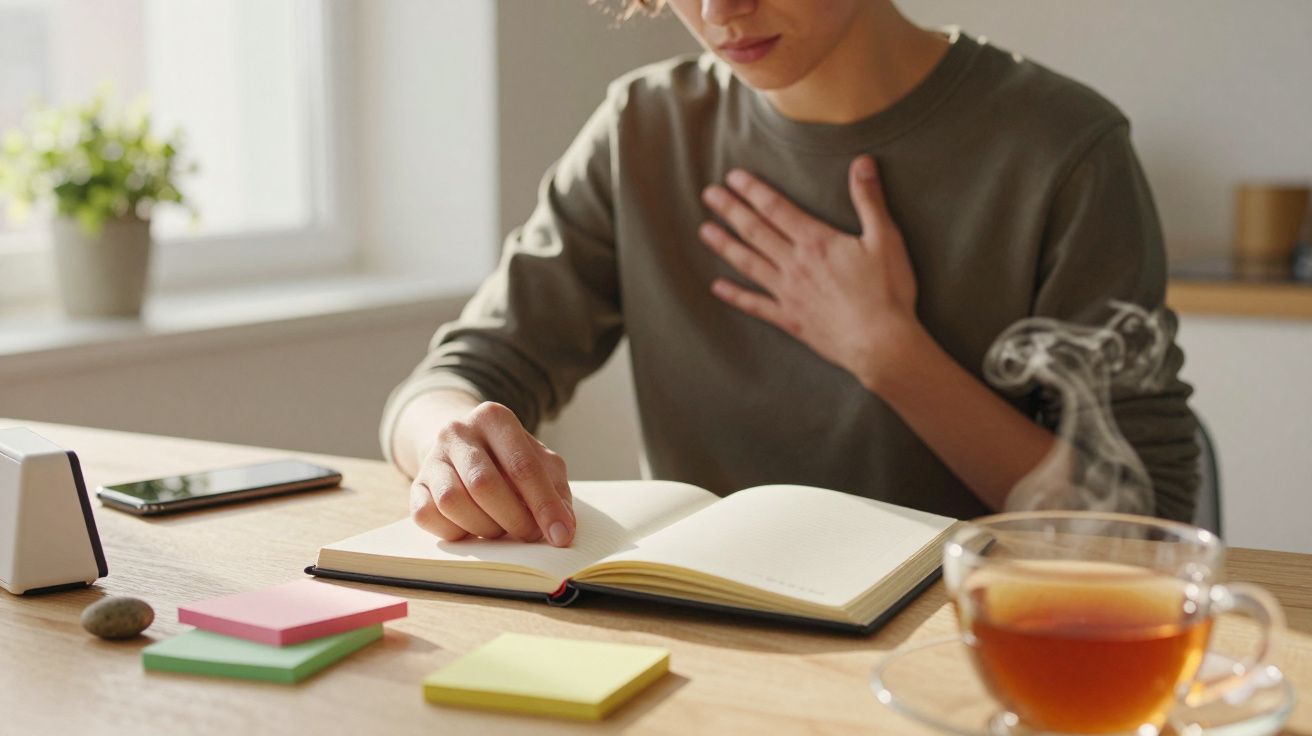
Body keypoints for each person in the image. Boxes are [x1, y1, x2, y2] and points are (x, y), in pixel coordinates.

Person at [382, 0, 1200, 548]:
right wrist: (449, 438)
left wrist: (891, 354)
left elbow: (1146, 522)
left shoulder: (1062, 149)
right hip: (704, 641)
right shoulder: (643, 131)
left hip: (968, 648)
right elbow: (456, 377)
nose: (719, 10)